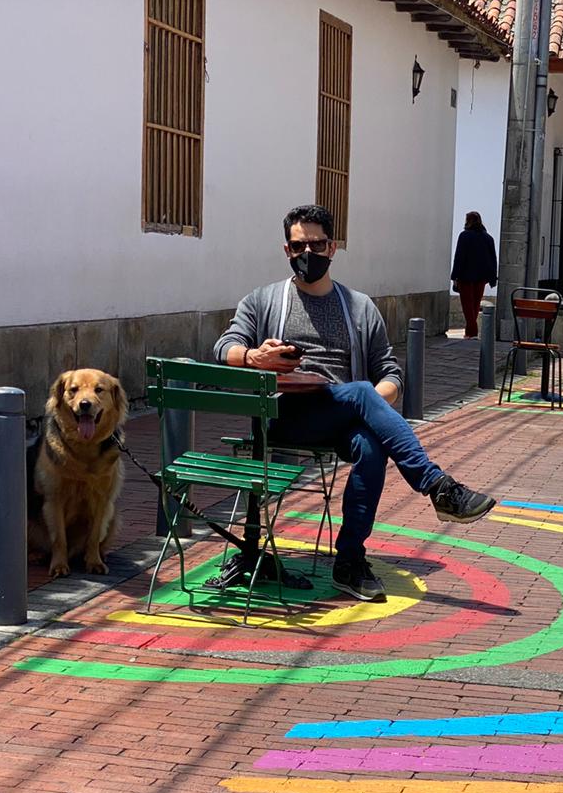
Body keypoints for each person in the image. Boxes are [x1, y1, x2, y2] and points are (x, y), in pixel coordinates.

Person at [213, 204, 496, 602]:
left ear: (333, 247)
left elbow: (391, 375)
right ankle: (438, 487)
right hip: (283, 415)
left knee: (370, 442)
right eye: (298, 246)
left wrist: (367, 405)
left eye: (316, 244)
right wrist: (254, 357)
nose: (306, 254)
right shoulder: (263, 300)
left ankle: (349, 560)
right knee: (362, 394)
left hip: (342, 418)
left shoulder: (360, 307)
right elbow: (223, 346)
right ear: (286, 250)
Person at [450, 211, 498, 339]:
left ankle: (471, 332)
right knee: (475, 305)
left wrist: (455, 276)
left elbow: (459, 257)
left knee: (467, 305)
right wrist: (493, 277)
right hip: (481, 277)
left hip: (465, 277)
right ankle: (470, 331)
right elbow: (493, 258)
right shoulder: (488, 238)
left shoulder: (464, 236)